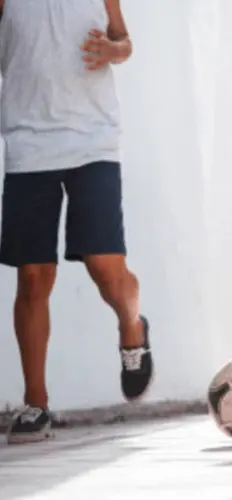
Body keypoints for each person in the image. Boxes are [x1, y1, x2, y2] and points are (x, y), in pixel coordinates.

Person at [0, 0, 153, 444]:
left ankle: (132, 327)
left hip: (93, 142)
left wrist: (112, 50)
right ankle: (36, 403)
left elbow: (125, 42)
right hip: (28, 145)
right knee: (32, 277)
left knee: (104, 265)